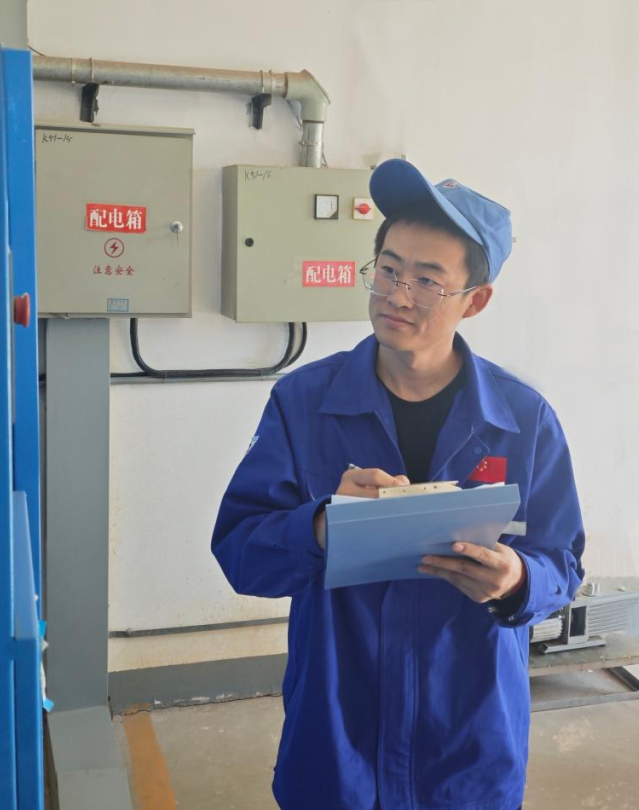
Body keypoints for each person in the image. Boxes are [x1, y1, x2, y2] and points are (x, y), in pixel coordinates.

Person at [212, 159, 585, 810]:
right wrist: (322, 524)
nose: (397, 295)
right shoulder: (304, 405)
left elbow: (562, 563)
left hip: (467, 743)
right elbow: (241, 552)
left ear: (476, 300)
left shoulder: (523, 422)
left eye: (427, 281)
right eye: (387, 269)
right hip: (337, 738)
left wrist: (516, 581)